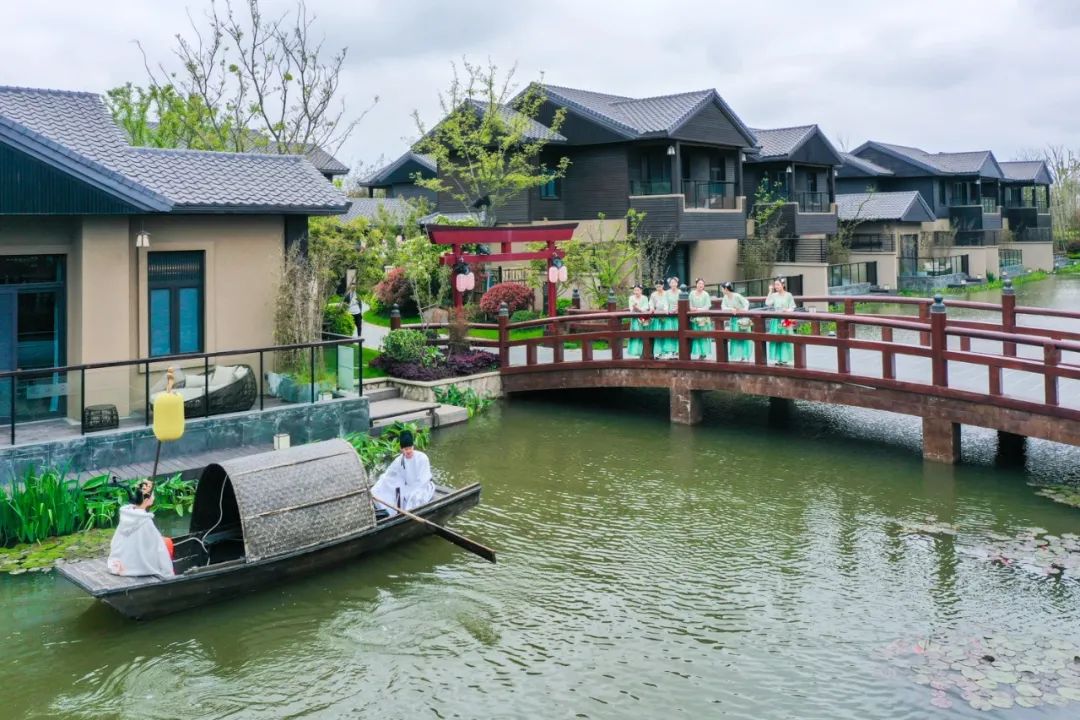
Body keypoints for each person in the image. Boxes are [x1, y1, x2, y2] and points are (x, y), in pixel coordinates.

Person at [106, 480, 175, 578]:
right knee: (167, 543)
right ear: (147, 500)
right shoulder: (145, 521)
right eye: (152, 496)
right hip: (138, 566)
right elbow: (159, 549)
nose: (154, 498)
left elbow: (115, 542)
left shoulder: (126, 516)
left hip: (121, 561)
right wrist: (168, 573)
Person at [371, 430, 434, 517]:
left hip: (422, 487)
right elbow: (388, 474)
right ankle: (388, 512)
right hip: (407, 485)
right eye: (406, 449)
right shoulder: (399, 460)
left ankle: (405, 514)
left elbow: (424, 480)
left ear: (413, 446)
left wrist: (410, 490)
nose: (408, 451)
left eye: (410, 448)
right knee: (384, 487)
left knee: (412, 496)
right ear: (401, 449)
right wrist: (376, 488)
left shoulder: (422, 458)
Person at [765, 277, 797, 366]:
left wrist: (787, 310)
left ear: (783, 285)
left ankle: (785, 358)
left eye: (778, 284)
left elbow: (793, 307)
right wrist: (770, 291)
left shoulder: (788, 295)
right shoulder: (774, 295)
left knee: (785, 338)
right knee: (777, 339)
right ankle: (778, 358)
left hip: (785, 319)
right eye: (775, 285)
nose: (776, 286)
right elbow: (767, 303)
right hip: (776, 320)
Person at [720, 281, 752, 362]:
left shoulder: (737, 296)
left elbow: (746, 303)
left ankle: (744, 355)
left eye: (722, 289)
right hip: (734, 319)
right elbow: (723, 307)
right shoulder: (725, 297)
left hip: (742, 319)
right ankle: (737, 355)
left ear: (726, 289)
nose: (721, 290)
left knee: (743, 337)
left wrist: (743, 310)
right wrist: (731, 309)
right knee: (735, 337)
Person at [688, 278, 714, 360]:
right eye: (699, 283)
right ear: (696, 284)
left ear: (704, 286)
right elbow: (689, 304)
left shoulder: (706, 294)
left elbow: (707, 306)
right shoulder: (692, 293)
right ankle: (697, 352)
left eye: (702, 284)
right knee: (695, 336)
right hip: (694, 317)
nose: (700, 285)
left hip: (703, 317)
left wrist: (698, 309)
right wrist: (692, 308)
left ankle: (703, 353)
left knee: (703, 335)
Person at [626, 284, 651, 359]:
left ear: (641, 291)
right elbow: (631, 308)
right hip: (634, 318)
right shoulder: (631, 298)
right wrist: (634, 308)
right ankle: (635, 352)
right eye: (635, 290)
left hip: (643, 317)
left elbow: (646, 307)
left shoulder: (645, 298)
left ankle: (644, 351)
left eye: (638, 290)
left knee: (643, 333)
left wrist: (639, 309)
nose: (636, 292)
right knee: (636, 333)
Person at [649, 280, 669, 359]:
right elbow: (651, 303)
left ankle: (666, 352)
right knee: (658, 334)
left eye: (660, 286)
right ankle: (658, 352)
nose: (658, 288)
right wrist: (652, 308)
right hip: (657, 315)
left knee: (666, 333)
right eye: (657, 287)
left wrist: (666, 309)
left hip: (665, 314)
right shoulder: (653, 294)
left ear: (663, 286)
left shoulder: (666, 293)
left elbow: (667, 303)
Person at [664, 276, 682, 358]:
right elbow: (666, 303)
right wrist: (667, 310)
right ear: (669, 284)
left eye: (674, 282)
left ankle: (678, 350)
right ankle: (670, 350)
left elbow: (682, 303)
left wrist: (677, 309)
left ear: (677, 283)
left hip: (678, 314)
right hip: (670, 314)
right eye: (671, 283)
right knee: (669, 332)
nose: (673, 284)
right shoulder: (667, 292)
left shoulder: (680, 292)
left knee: (678, 331)